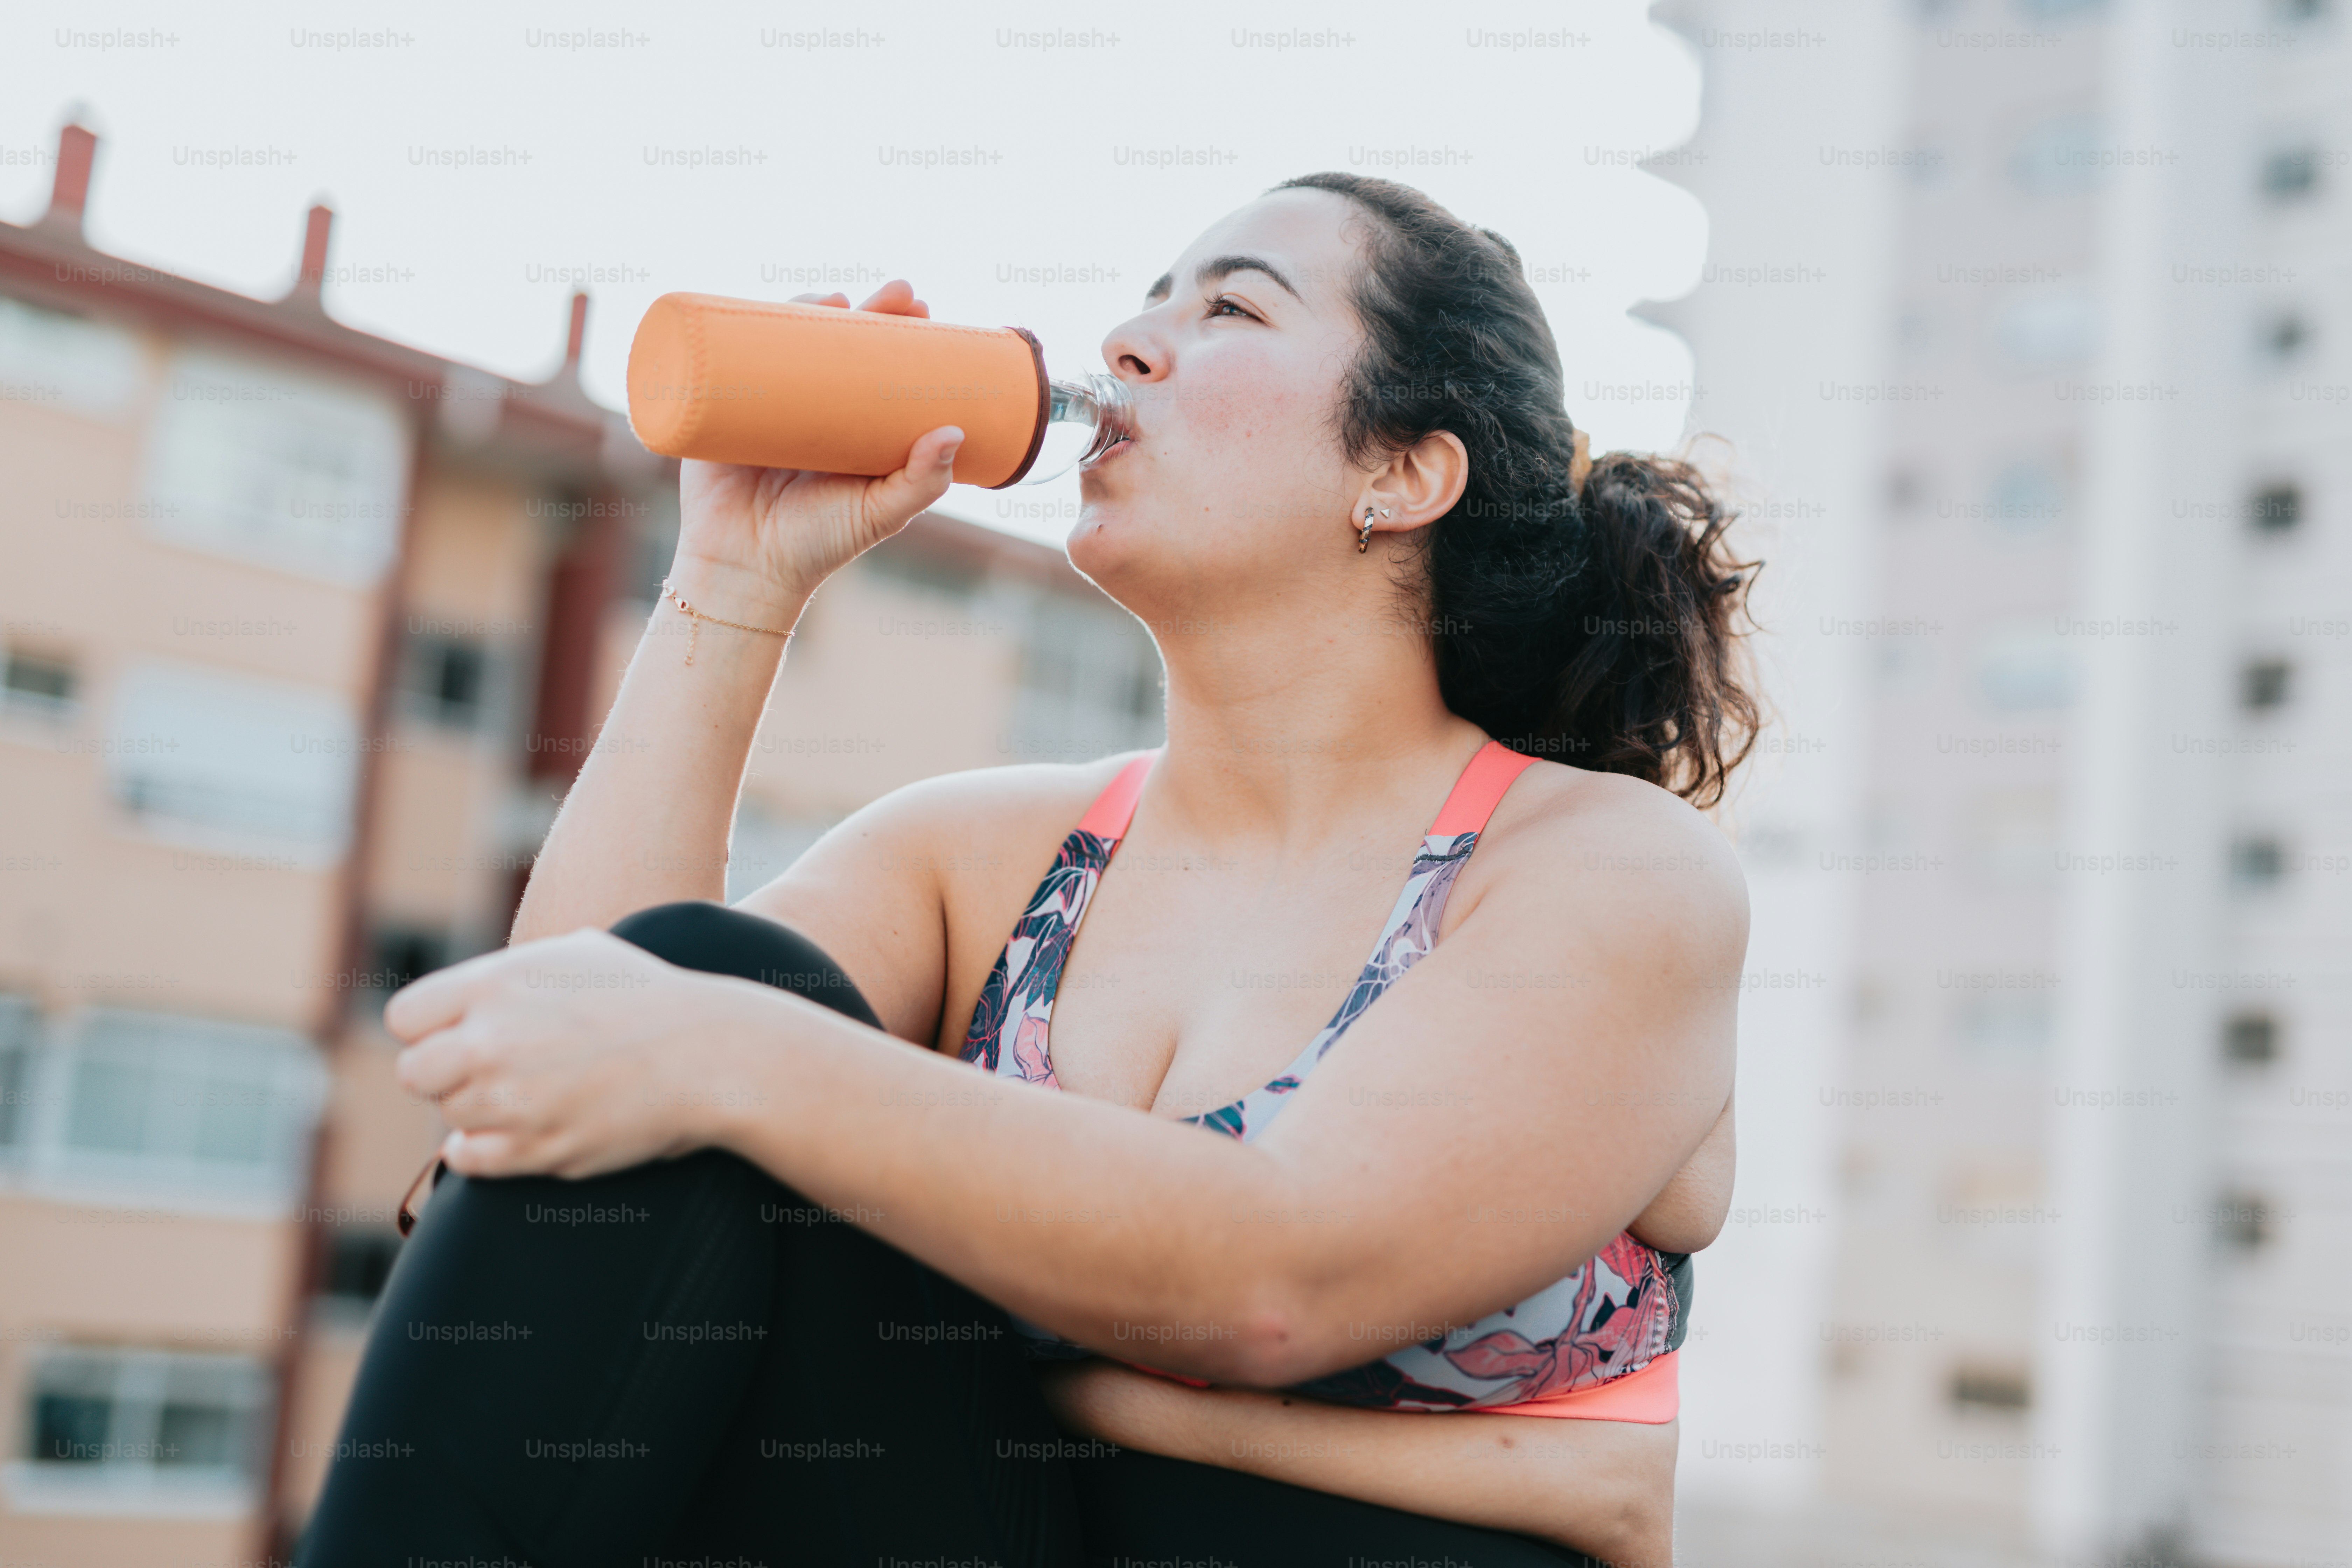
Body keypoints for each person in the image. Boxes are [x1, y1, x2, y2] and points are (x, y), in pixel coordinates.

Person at [297, 170, 1759, 1568]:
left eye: (1231, 310)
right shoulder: (982, 854)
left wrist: (732, 1055)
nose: (1129, 340)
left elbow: (1275, 1278)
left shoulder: (1608, 869)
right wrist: (732, 583)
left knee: (722, 1017)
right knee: (715, 979)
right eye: (1147, 300)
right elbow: (559, 1097)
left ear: (1403, 470)